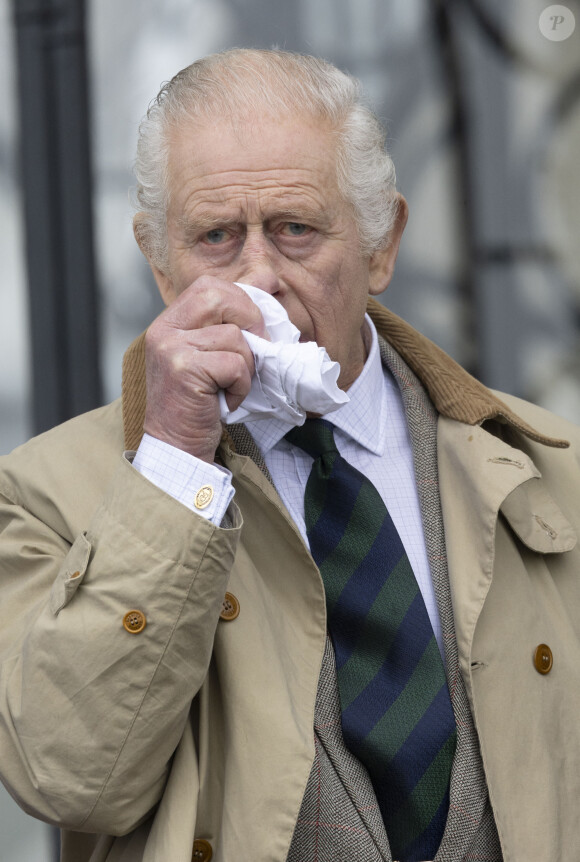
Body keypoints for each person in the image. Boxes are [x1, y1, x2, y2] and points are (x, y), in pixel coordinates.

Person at [0, 47, 579, 862]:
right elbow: (68, 779)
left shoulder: (556, 473)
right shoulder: (42, 493)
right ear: (161, 266)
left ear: (382, 245)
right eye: (216, 237)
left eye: (296, 230)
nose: (259, 277)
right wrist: (171, 463)